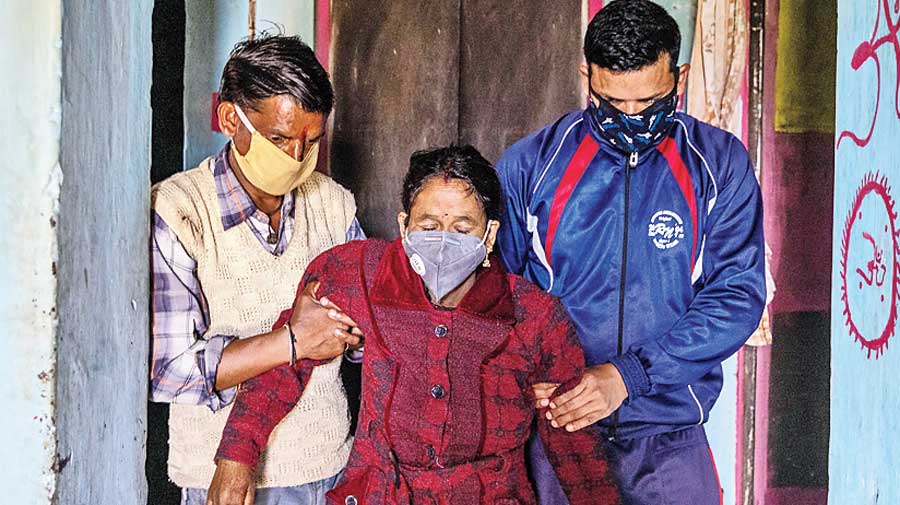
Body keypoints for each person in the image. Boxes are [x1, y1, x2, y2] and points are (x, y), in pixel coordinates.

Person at [207, 146, 620, 504]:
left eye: (463, 228)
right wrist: (236, 457)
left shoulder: (535, 315)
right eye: (428, 226)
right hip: (378, 491)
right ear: (404, 226)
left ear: (489, 235)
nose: (444, 240)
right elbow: (289, 359)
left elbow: (572, 436)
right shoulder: (359, 274)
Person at [495, 1, 766, 504]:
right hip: (559, 431)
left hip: (670, 435)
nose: (633, 119)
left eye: (650, 101)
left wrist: (629, 376)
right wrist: (520, 373)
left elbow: (736, 296)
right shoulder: (531, 165)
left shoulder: (719, 164)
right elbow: (497, 293)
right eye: (614, 103)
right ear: (586, 77)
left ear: (679, 76)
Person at [150, 35, 366, 505]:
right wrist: (293, 340)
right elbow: (171, 370)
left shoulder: (331, 204)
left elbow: (361, 338)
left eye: (310, 141)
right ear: (231, 119)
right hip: (219, 479)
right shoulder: (181, 210)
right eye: (279, 139)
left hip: (327, 464)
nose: (295, 158)